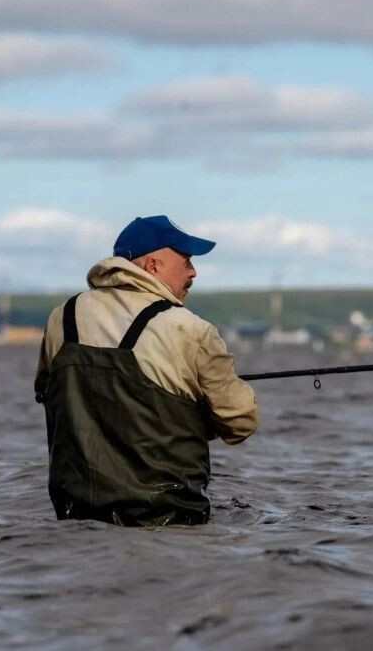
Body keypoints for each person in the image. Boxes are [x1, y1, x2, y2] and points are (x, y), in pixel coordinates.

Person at [34, 215, 259, 526]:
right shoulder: (189, 329)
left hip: (75, 518)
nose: (193, 271)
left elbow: (48, 394)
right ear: (153, 266)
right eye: (186, 260)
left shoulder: (62, 317)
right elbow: (241, 422)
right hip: (168, 521)